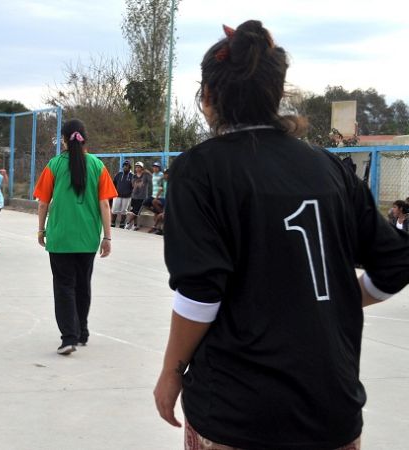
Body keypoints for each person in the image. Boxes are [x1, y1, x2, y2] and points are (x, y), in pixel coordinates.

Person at [153, 21, 409, 450]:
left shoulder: (199, 170)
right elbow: (396, 261)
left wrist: (171, 372)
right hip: (332, 410)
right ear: (277, 93)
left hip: (238, 413)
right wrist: (342, 291)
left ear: (209, 98)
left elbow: (200, 293)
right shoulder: (330, 168)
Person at [34, 119, 117, 355]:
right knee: (83, 285)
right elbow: (104, 204)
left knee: (64, 287)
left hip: (60, 237)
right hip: (88, 237)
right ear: (85, 138)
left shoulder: (54, 165)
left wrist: (41, 230)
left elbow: (43, 203)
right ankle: (82, 332)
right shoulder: (97, 165)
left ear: (63, 139)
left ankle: (69, 337)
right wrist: (107, 237)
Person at [125, 161, 152, 230]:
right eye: (136, 167)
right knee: (134, 211)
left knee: (136, 212)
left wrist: (148, 172)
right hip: (134, 196)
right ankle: (135, 225)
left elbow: (151, 179)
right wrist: (138, 184)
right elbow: (133, 185)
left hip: (142, 197)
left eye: (139, 167)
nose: (137, 168)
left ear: (142, 168)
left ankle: (128, 224)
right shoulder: (134, 176)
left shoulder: (145, 175)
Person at [111, 160, 134, 228]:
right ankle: (112, 222)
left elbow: (133, 186)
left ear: (129, 167)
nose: (125, 167)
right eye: (124, 166)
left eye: (127, 166)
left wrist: (130, 193)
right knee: (114, 209)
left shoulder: (132, 176)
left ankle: (122, 224)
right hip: (117, 195)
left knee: (124, 210)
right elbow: (114, 183)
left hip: (127, 196)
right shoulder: (119, 174)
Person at [150, 169, 169, 235]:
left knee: (160, 216)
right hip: (165, 200)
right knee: (154, 202)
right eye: (164, 174)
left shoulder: (173, 182)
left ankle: (156, 228)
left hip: (170, 202)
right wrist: (156, 198)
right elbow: (161, 189)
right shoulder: (164, 181)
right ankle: (162, 214)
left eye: (165, 174)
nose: (164, 175)